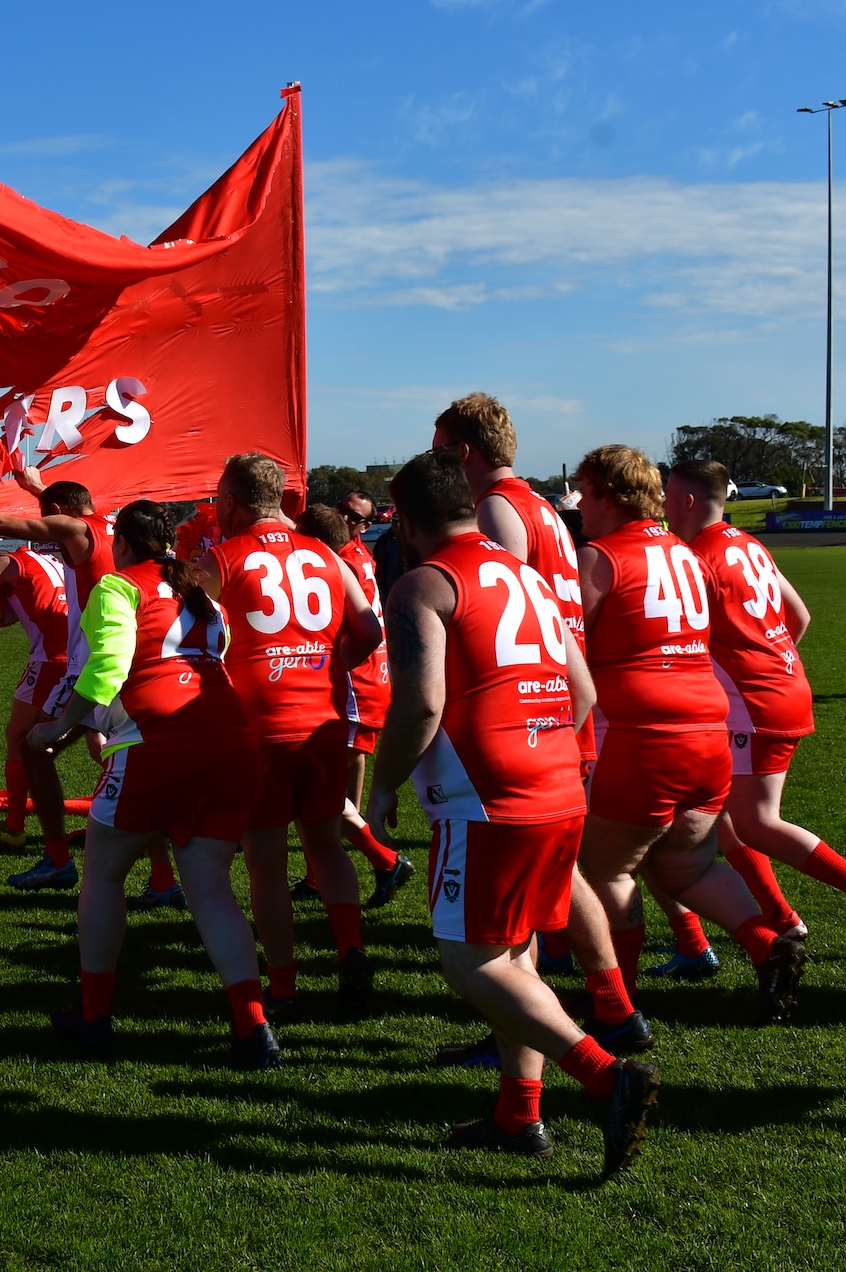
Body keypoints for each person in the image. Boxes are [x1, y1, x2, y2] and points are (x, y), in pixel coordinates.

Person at [366, 450, 659, 1179]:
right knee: (518, 951)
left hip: (489, 798)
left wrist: (381, 787)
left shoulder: (423, 585)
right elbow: (581, 689)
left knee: (471, 960)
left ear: (405, 520)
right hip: (557, 779)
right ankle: (518, 1113)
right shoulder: (525, 573)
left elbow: (423, 703)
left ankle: (602, 1075)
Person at [431, 392, 647, 1060]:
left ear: (463, 452)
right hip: (557, 698)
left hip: (529, 710)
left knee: (518, 896)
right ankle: (607, 1003)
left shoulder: (497, 509)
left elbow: (495, 610)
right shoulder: (540, 506)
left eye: (440, 448)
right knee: (558, 872)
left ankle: (528, 1029)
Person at [38, 499, 278, 1066]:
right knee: (212, 890)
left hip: (158, 743)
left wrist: (60, 725)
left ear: (120, 543)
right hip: (229, 742)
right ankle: (253, 1027)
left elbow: (109, 667)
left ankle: (94, 1017)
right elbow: (215, 653)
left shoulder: (119, 586)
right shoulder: (199, 591)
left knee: (102, 876)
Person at [575, 444, 807, 1024]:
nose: (577, 503)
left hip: (643, 734)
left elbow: (570, 650)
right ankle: (765, 942)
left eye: (584, 489)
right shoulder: (684, 551)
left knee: (606, 870)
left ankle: (616, 1007)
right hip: (709, 731)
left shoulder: (599, 557)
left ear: (608, 494)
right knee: (687, 866)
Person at [661, 460, 846, 961]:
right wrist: (770, 663)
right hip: (777, 688)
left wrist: (746, 675)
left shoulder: (694, 558)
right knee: (722, 814)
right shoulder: (746, 542)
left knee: (754, 821)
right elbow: (800, 615)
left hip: (752, 704)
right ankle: (781, 917)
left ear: (686, 501)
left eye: (668, 495)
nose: (664, 504)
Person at [0, 458, 182, 905]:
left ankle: (57, 860)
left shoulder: (80, 531)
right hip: (142, 664)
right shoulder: (119, 531)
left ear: (60, 512)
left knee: (33, 745)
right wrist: (40, 490)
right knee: (132, 769)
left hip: (92, 664)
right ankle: (163, 877)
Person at [198, 460, 383, 1019]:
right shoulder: (328, 553)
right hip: (323, 723)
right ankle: (351, 948)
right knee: (325, 845)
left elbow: (187, 638)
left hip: (261, 730)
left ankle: (283, 987)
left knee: (266, 864)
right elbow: (369, 630)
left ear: (230, 501)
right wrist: (329, 666)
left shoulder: (223, 558)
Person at [298, 498, 416, 908]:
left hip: (354, 681)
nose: (348, 519)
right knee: (322, 784)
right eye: (344, 511)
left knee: (319, 786)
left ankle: (376, 860)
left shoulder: (340, 561)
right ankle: (335, 868)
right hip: (365, 678)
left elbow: (349, 627)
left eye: (357, 517)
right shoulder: (357, 555)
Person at [0, 546, 70, 857]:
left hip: (52, 659)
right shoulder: (50, 561)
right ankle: (147, 814)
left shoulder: (4, 561)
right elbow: (5, 615)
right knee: (104, 737)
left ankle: (16, 828)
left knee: (21, 740)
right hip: (85, 651)